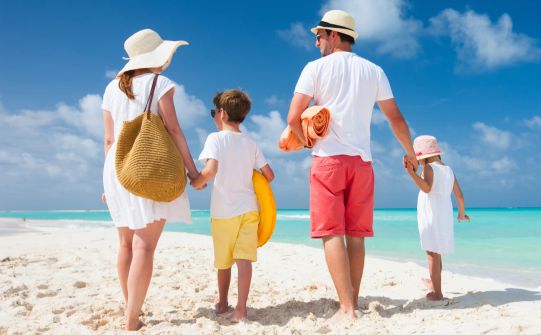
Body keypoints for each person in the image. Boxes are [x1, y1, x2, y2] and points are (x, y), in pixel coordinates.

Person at [286, 10, 417, 320]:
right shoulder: (374, 71)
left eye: (319, 35)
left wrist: (306, 141)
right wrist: (410, 151)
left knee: (331, 234)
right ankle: (352, 301)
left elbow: (293, 118)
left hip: (328, 160)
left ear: (334, 35)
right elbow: (395, 117)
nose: (316, 41)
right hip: (363, 163)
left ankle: (346, 307)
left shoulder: (314, 69)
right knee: (355, 235)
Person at [101, 28, 199, 330]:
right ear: (157, 56)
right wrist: (192, 172)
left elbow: (108, 140)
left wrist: (109, 183)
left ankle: (131, 309)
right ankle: (131, 321)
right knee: (144, 246)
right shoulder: (161, 83)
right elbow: (173, 130)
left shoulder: (110, 88)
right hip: (147, 166)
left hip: (116, 168)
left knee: (126, 245)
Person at [190, 89, 275, 322]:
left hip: (223, 211)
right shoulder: (251, 143)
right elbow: (269, 175)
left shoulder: (215, 139)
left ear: (222, 114)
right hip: (249, 210)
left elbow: (210, 171)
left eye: (213, 112)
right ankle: (241, 309)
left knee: (224, 262)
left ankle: (222, 303)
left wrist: (195, 181)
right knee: (244, 260)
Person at [404, 135, 469, 301]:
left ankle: (437, 293)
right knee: (436, 251)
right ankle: (434, 283)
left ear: (422, 156)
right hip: (444, 213)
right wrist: (461, 213)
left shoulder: (429, 169)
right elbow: (459, 195)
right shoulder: (448, 170)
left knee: (432, 253)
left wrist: (412, 174)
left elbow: (426, 188)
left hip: (432, 213)